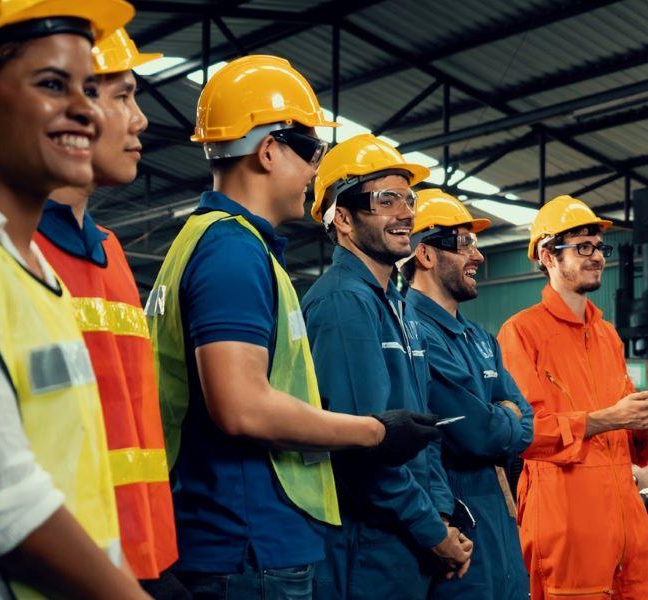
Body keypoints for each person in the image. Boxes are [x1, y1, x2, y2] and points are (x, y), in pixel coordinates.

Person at [146, 55, 440, 600]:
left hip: (236, 537)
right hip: (247, 541)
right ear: (267, 150)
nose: (312, 173)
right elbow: (242, 407)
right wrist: (376, 431)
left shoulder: (210, 242)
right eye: (310, 154)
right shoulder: (232, 251)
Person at [0, 1, 151, 598]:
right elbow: (2, 508)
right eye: (53, 84)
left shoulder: (27, 265)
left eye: (90, 87)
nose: (86, 110)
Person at [33, 28, 182, 594]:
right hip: (73, 573)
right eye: (122, 96)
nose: (140, 120)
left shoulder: (114, 255)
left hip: (148, 558)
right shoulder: (13, 253)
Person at [303, 135, 474, 600]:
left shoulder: (395, 304)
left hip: (407, 538)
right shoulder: (344, 303)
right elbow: (366, 450)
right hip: (367, 546)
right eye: (386, 199)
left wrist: (440, 516)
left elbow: (423, 432)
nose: (405, 213)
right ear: (341, 217)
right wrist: (434, 533)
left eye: (408, 199)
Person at [497, 195, 648, 599]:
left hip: (625, 513)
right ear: (548, 256)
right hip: (566, 517)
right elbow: (526, 434)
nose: (596, 256)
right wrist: (610, 419)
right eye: (582, 247)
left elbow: (623, 417)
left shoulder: (607, 334)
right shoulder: (520, 333)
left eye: (598, 247)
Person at [401, 189, 533, 599]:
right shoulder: (413, 331)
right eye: (463, 244)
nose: (477, 256)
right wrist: (501, 416)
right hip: (458, 521)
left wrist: (503, 418)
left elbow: (525, 423)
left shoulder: (480, 338)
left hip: (499, 519)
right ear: (424, 254)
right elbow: (478, 434)